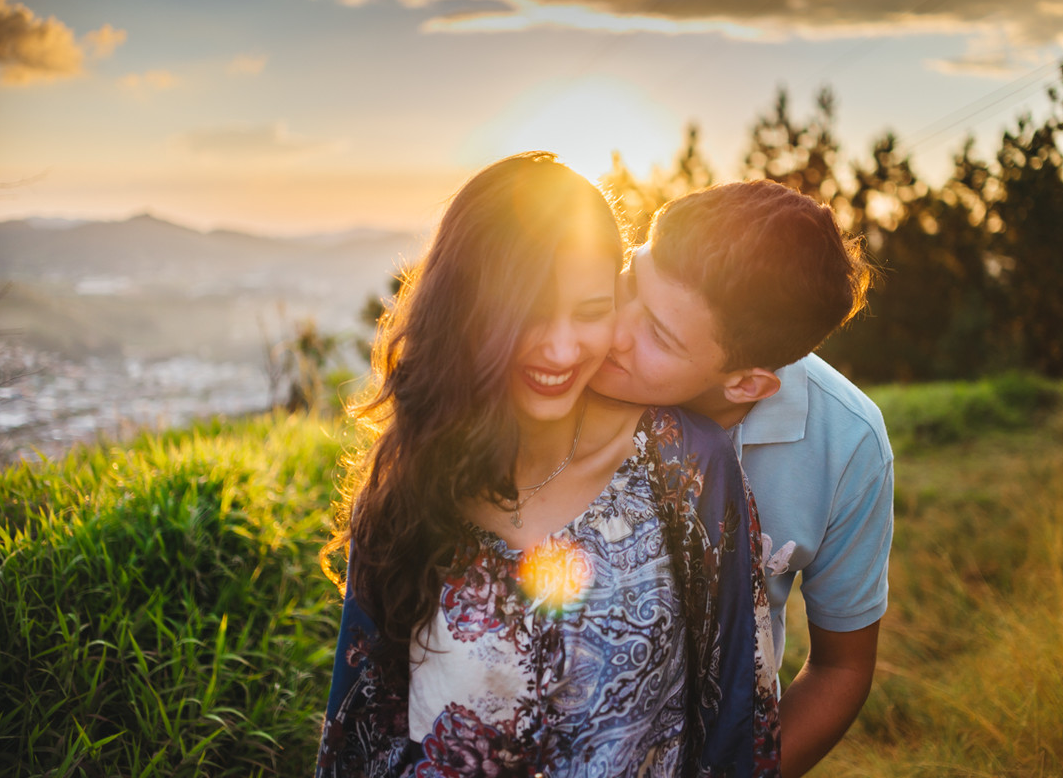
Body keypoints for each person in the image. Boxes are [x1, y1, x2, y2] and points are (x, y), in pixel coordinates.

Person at [315, 153, 781, 777]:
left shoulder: (684, 466)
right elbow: (360, 729)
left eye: (590, 311)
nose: (561, 348)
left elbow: (738, 719)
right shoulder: (410, 478)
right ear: (468, 310)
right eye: (531, 312)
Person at [589, 180, 893, 778]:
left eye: (658, 334)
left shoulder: (849, 443)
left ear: (746, 385)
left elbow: (842, 667)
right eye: (630, 280)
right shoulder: (566, 360)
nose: (613, 330)